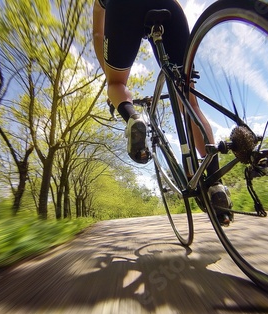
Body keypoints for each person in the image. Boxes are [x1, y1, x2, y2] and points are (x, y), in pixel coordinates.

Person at [92, 0, 233, 225]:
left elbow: (98, 35)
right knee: (190, 103)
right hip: (171, 8)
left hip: (123, 7)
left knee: (116, 84)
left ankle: (134, 117)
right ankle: (216, 184)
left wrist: (111, 76)